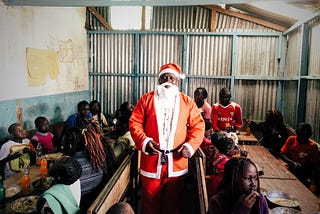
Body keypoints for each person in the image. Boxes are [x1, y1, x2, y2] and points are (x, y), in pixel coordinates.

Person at [129, 62, 205, 214]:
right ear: (159, 80)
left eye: (172, 78)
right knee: (149, 203)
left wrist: (190, 146)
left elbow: (198, 126)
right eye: (165, 78)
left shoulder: (187, 102)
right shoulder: (146, 99)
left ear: (177, 81)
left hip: (177, 161)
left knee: (173, 203)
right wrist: (144, 142)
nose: (168, 82)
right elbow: (135, 123)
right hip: (151, 161)